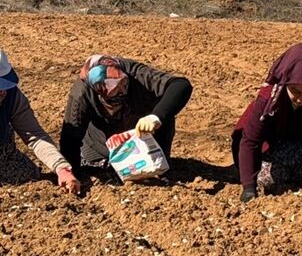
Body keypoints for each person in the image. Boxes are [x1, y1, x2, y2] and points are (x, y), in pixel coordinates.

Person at [232, 44, 302, 201]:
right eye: (296, 91)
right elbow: (250, 139)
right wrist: (248, 187)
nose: (301, 98)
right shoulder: (271, 92)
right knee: (266, 179)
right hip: (272, 151)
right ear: (286, 83)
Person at [60, 55, 193, 176]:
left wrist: (156, 117)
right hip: (104, 147)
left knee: (156, 171)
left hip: (147, 138)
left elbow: (181, 85)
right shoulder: (82, 94)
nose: (122, 90)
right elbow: (70, 137)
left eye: (123, 83)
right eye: (115, 90)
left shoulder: (136, 74)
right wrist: (72, 173)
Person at [0, 50, 79, 194]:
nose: (2, 92)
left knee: (30, 174)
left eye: (4, 85)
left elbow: (35, 136)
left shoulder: (12, 96)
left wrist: (61, 168)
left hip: (3, 151)